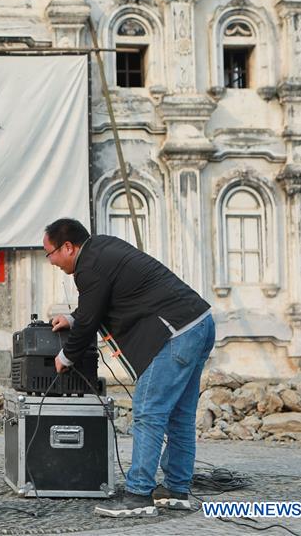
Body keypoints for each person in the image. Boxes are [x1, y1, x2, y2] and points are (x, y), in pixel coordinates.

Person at [43, 218, 214, 518]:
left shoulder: (88, 268)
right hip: (200, 323)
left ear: (68, 247)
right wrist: (72, 318)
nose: (51, 261)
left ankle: (138, 495)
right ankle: (176, 490)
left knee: (148, 412)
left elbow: (89, 320)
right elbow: (96, 302)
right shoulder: (102, 248)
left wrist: (66, 357)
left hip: (175, 333)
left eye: (51, 253)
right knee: (180, 417)